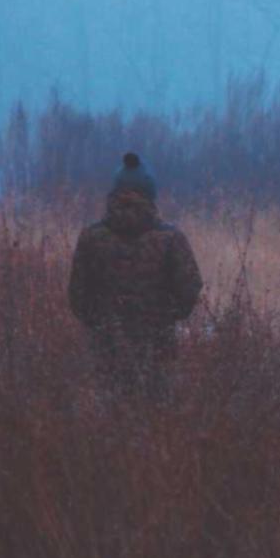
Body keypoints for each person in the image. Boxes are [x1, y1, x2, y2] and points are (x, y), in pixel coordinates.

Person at [67, 152, 202, 398]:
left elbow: (77, 296)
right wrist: (165, 318)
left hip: (106, 349)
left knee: (108, 423)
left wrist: (99, 323)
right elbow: (190, 289)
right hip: (157, 349)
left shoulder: (91, 237)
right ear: (151, 195)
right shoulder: (170, 239)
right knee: (157, 423)